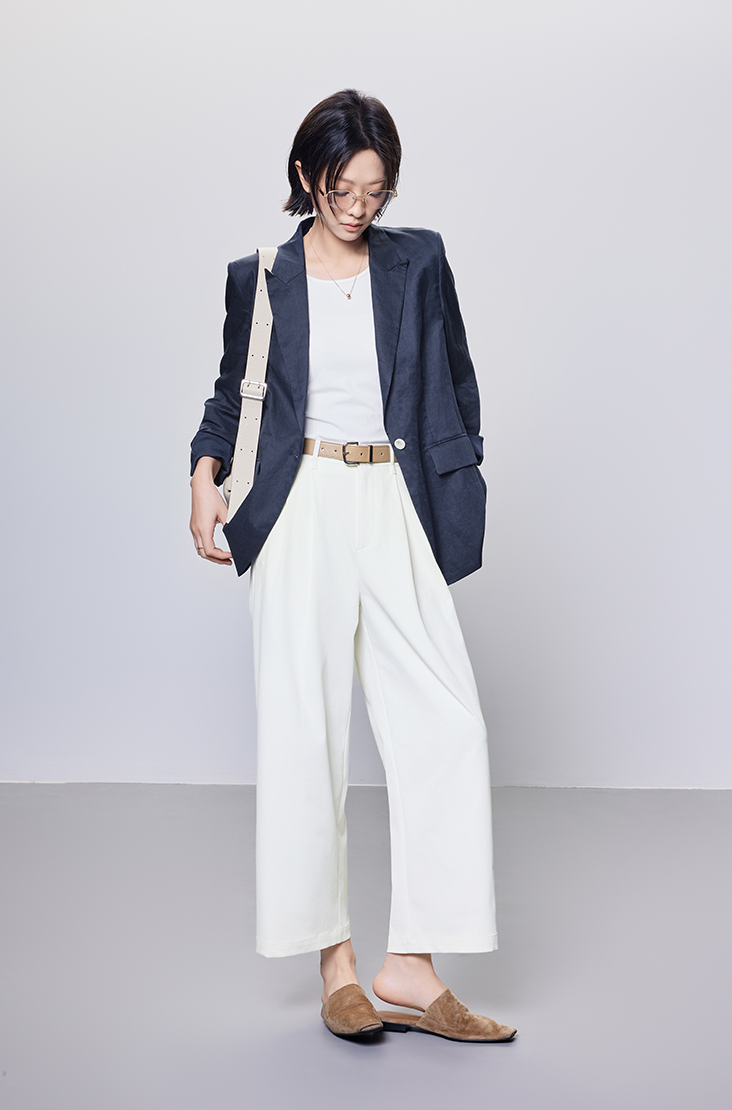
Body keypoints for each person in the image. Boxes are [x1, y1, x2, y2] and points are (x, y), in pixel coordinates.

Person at [189, 89, 516, 1042]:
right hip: (301, 503)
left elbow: (457, 376)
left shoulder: (419, 261)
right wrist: (204, 475)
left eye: (376, 190)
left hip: (394, 499)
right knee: (306, 733)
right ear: (307, 177)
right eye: (343, 189)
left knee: (448, 725)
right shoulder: (262, 277)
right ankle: (335, 966)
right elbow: (233, 391)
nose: (359, 207)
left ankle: (411, 963)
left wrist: (462, 467)